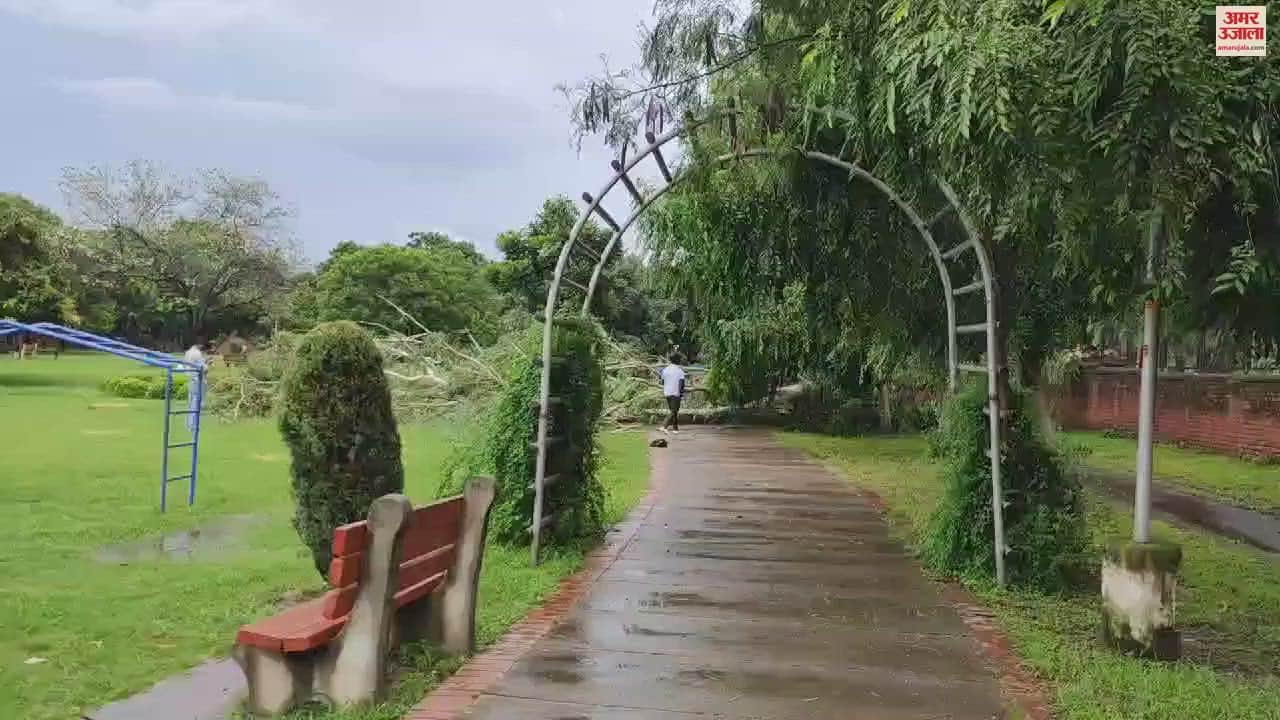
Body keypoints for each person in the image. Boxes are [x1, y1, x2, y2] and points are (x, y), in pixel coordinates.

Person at [182, 338, 210, 432]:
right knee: (197, 404)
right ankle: (193, 426)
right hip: (198, 379)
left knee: (191, 403)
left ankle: (190, 425)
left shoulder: (188, 352)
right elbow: (203, 369)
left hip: (191, 378)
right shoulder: (197, 353)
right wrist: (207, 363)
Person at [659, 353, 686, 434]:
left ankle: (675, 428)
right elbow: (681, 383)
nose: (681, 360)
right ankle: (664, 426)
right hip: (675, 393)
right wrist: (681, 394)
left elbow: (662, 382)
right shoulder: (680, 371)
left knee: (673, 411)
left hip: (667, 392)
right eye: (680, 359)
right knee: (674, 411)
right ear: (678, 360)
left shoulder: (665, 370)